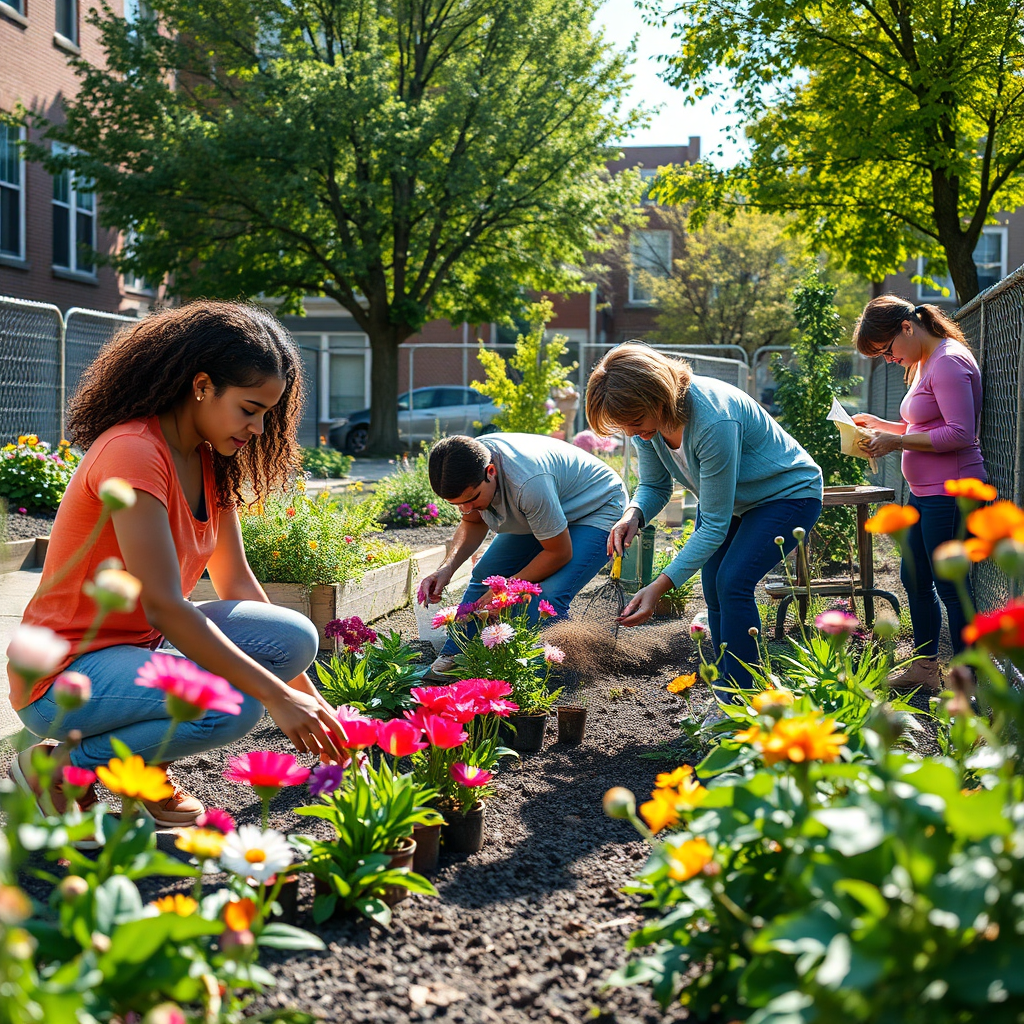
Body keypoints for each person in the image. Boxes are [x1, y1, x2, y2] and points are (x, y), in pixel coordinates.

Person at [7, 301, 343, 824]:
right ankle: (56, 768)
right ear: (203, 385)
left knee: (296, 637)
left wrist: (311, 703)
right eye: (250, 409)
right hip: (65, 673)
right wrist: (276, 696)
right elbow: (165, 605)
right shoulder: (134, 452)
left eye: (267, 415)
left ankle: (138, 768)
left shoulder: (209, 459)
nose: (258, 428)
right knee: (230, 705)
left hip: (138, 653)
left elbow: (235, 583)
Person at [585, 343, 823, 702]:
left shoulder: (713, 418)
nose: (632, 433)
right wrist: (634, 514)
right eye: (624, 426)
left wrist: (657, 588)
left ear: (658, 397)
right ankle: (731, 690)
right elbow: (653, 485)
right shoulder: (648, 425)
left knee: (733, 581)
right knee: (713, 586)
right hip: (736, 503)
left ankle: (743, 698)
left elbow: (712, 524)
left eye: (634, 422)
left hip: (788, 494)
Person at [852, 297, 986, 690]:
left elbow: (961, 433)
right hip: (926, 492)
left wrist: (896, 443)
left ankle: (967, 682)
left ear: (906, 328)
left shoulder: (947, 361)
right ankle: (926, 670)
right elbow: (927, 423)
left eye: (887, 351)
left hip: (953, 492)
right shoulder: (926, 360)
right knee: (914, 578)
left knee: (950, 587)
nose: (890, 360)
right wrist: (882, 427)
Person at [417, 433, 629, 677]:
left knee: (548, 594)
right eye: (457, 504)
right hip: (547, 509)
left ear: (491, 472)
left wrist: (505, 588)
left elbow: (558, 553)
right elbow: (473, 523)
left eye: (472, 499)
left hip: (595, 506)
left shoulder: (527, 483)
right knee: (486, 575)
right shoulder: (466, 461)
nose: (466, 510)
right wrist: (447, 568)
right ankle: (457, 654)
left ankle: (544, 675)